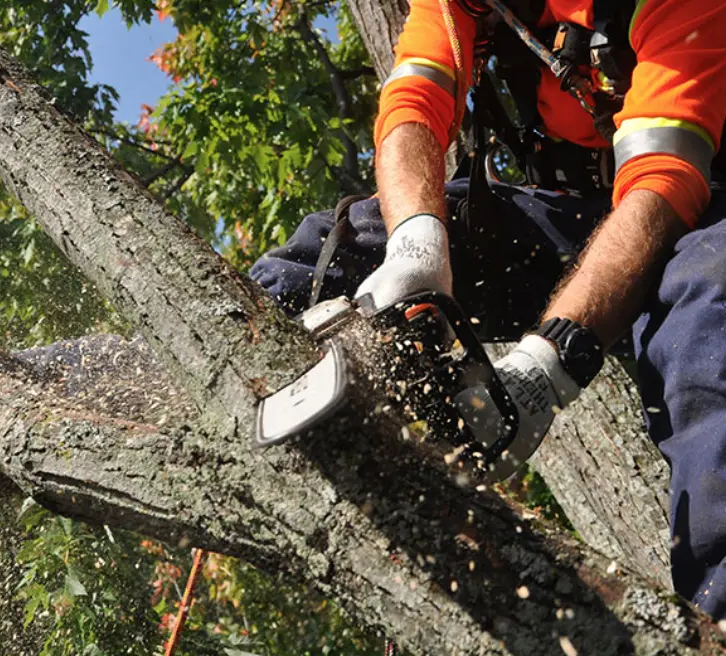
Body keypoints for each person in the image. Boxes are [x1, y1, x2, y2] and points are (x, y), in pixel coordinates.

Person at [249, 0, 726, 618]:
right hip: (577, 216)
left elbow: (664, 179)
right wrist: (416, 245)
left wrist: (551, 360)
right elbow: (411, 108)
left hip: (697, 214)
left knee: (710, 333)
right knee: (338, 244)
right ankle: (207, 361)